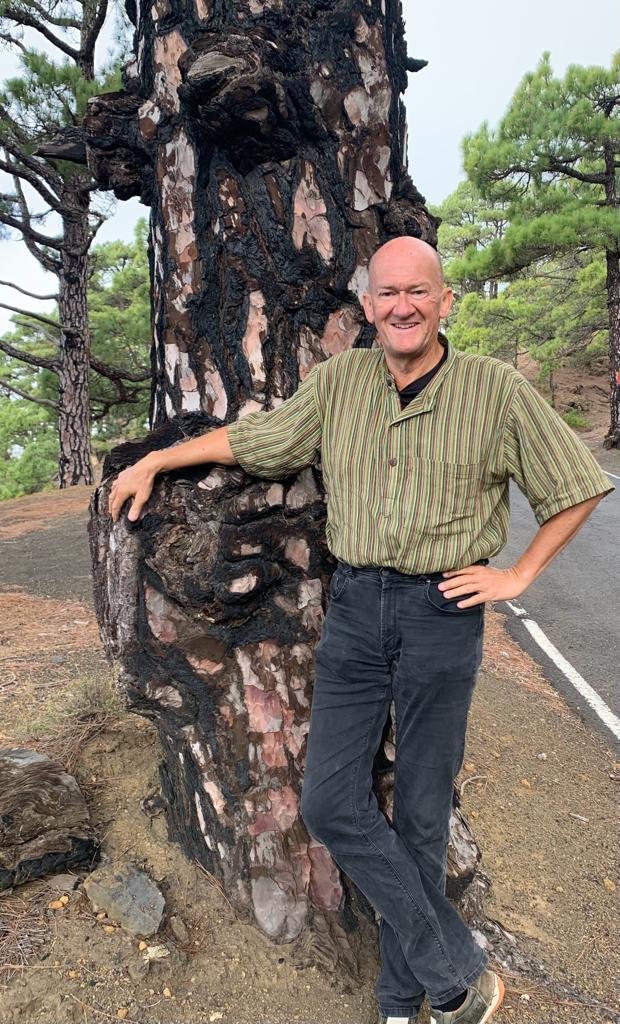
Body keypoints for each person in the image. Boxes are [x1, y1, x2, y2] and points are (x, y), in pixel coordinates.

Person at [109, 236, 613, 1024]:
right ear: (368, 305)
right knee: (331, 802)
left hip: (444, 613)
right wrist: (158, 462)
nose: (402, 306)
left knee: (419, 811)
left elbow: (579, 486)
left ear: (446, 302)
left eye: (419, 291)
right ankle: (458, 970)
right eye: (387, 294)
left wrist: (518, 576)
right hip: (354, 609)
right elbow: (259, 442)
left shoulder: (495, 391)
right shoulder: (339, 383)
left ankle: (402, 998)